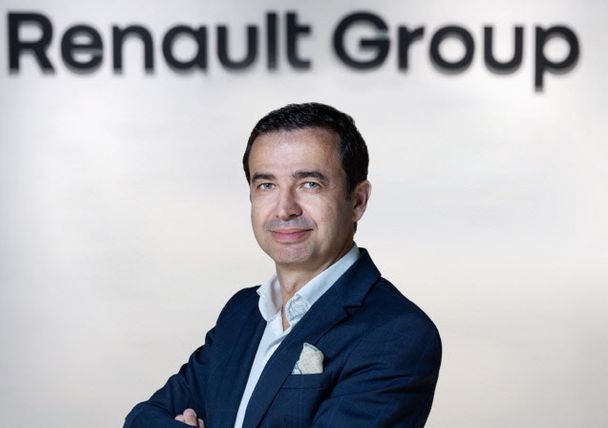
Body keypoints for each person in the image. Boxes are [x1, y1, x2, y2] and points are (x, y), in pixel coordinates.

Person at [124, 102, 442, 427]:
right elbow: (141, 419)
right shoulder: (241, 313)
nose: (285, 208)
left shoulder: (396, 333)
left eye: (310, 184)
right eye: (267, 185)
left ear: (357, 201)